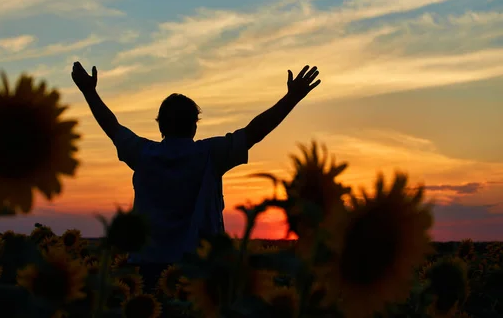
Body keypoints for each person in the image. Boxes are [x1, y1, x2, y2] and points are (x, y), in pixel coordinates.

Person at [72, 61, 321, 291]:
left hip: (145, 268)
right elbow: (255, 132)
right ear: (194, 125)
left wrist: (89, 92)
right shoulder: (210, 154)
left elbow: (111, 127)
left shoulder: (143, 154)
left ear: (160, 126)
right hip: (198, 270)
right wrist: (292, 97)